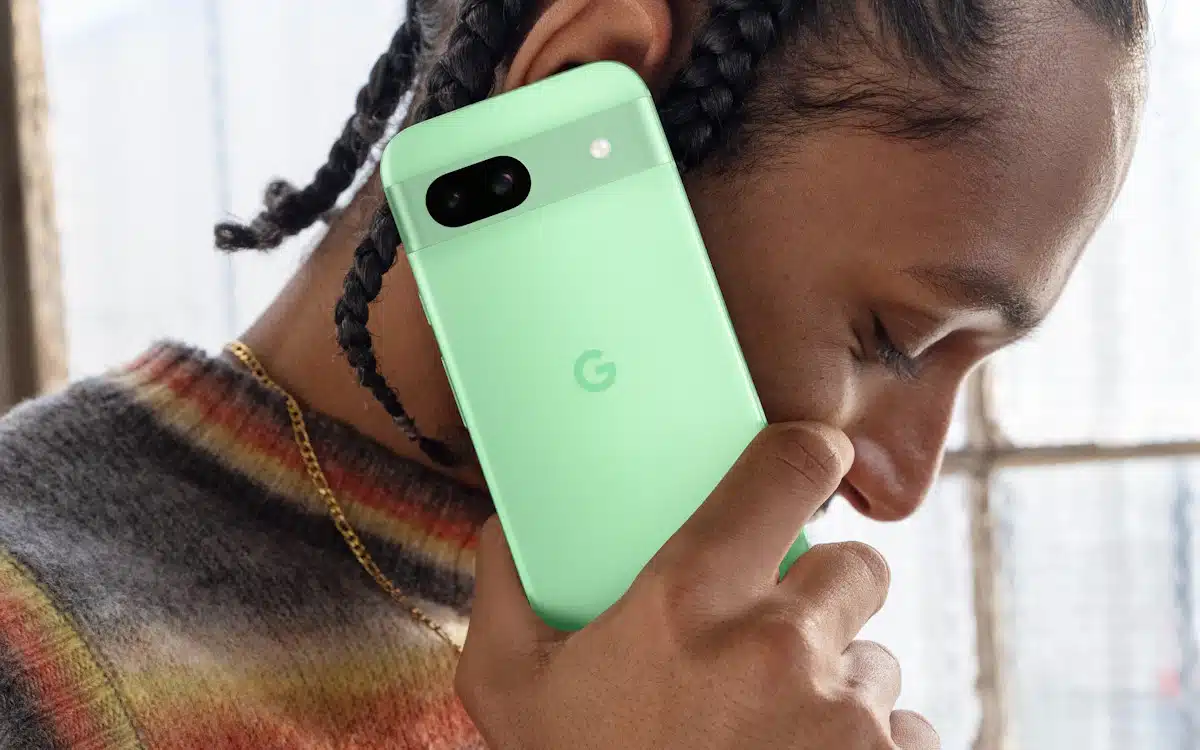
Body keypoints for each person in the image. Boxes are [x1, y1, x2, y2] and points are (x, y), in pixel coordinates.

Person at [0, 0, 1148, 747]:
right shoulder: (34, 650)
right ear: (580, 82)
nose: (899, 486)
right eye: (893, 337)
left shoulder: (734, 675)